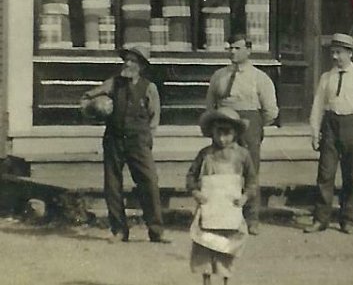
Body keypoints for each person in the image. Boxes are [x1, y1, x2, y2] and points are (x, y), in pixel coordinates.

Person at [81, 45, 169, 243]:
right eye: (126, 60)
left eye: (133, 61)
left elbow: (154, 118)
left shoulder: (149, 88)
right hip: (114, 139)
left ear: (142, 66)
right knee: (112, 185)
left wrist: (147, 139)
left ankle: (156, 230)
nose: (128, 64)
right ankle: (119, 230)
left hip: (138, 140)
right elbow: (88, 97)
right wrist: (91, 107)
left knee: (149, 182)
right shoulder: (114, 83)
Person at [205, 33, 279, 235]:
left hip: (249, 125)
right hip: (223, 122)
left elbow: (271, 111)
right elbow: (210, 104)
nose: (233, 52)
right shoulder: (219, 76)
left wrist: (253, 127)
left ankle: (251, 218)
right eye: (230, 48)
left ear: (248, 50)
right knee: (221, 169)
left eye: (237, 48)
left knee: (250, 170)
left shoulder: (259, 78)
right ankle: (222, 216)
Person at [305, 33, 353, 234]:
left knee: (351, 177)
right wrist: (314, 131)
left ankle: (347, 218)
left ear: (349, 53)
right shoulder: (326, 77)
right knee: (325, 174)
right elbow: (318, 105)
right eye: (332, 53)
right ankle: (321, 219)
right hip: (330, 126)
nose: (335, 57)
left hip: (352, 126)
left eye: (338, 53)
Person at [187, 108, 257, 285]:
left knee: (227, 248)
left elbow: (252, 180)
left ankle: (226, 281)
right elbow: (191, 176)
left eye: (227, 133)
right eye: (218, 133)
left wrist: (245, 197)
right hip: (209, 210)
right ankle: (206, 281)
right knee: (204, 247)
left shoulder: (242, 155)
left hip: (230, 212)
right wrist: (196, 192)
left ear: (235, 133)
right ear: (212, 132)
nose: (222, 138)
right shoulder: (205, 155)